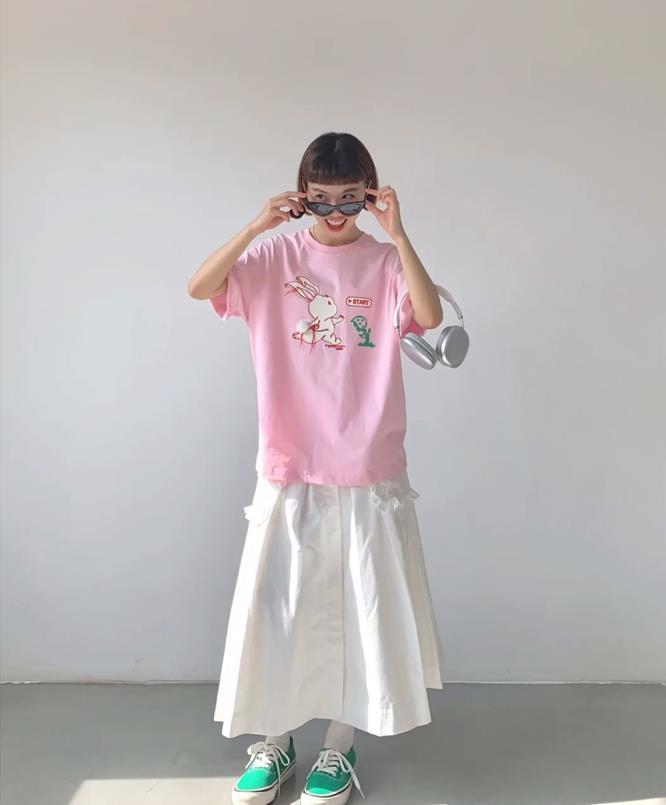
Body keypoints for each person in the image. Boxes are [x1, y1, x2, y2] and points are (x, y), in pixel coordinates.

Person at [188, 132, 446, 805]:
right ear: (302, 197)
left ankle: (340, 742)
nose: (335, 212)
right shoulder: (274, 257)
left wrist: (399, 233)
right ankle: (275, 740)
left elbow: (427, 314)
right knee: (278, 608)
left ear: (370, 194)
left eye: (350, 198)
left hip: (366, 463)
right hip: (291, 459)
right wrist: (256, 225)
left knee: (362, 608)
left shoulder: (385, 261)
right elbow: (200, 286)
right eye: (322, 199)